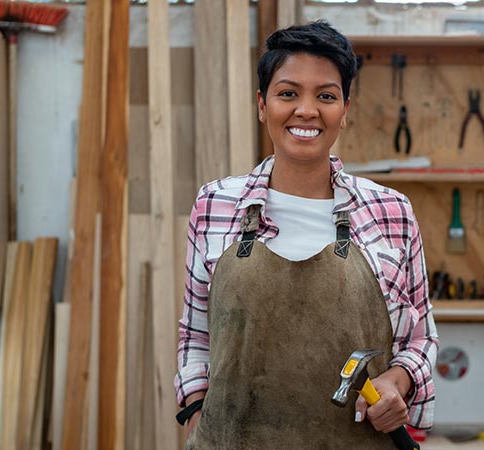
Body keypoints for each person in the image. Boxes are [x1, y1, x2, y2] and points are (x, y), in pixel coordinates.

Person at [174, 20, 438, 449]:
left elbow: (420, 339)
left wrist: (396, 380)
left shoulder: (390, 211)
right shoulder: (216, 204)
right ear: (263, 105)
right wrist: (197, 415)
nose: (307, 110)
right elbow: (195, 332)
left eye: (326, 96)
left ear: (345, 109)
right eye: (288, 93)